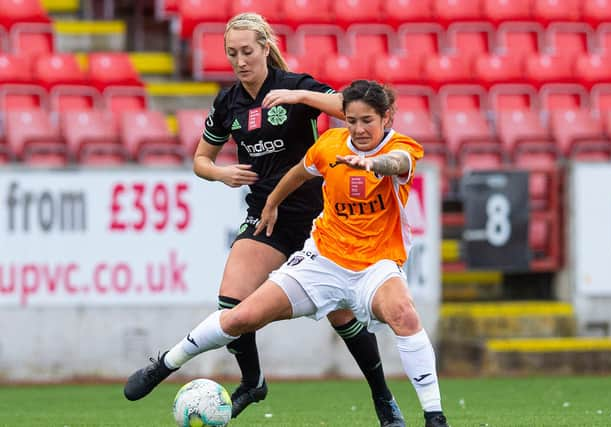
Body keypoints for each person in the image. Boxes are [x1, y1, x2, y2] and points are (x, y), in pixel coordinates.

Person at [124, 13, 404, 427]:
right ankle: (253, 381)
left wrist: (301, 99)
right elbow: (201, 159)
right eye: (232, 53)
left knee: (341, 315)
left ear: (265, 49)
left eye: (247, 51)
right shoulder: (228, 102)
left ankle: (384, 399)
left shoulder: (293, 86)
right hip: (265, 216)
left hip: (318, 219)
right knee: (231, 299)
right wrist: (221, 173)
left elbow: (350, 110)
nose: (240, 61)